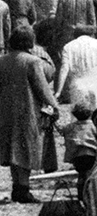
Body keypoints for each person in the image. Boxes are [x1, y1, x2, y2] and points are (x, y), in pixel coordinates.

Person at [0, 24, 58, 202]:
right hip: (27, 110)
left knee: (13, 149)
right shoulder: (32, 61)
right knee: (25, 149)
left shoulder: (2, 60)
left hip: (5, 111)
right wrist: (54, 106)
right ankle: (23, 189)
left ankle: (17, 187)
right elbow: (42, 88)